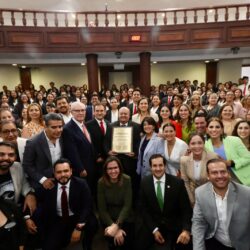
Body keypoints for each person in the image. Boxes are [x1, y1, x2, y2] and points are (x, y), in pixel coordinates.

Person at [34, 158, 97, 250]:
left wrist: (78, 228)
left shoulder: (81, 184)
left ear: (71, 171)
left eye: (66, 171)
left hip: (77, 216)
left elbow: (87, 206)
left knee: (92, 223)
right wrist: (27, 216)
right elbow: (35, 197)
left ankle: (87, 245)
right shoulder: (49, 185)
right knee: (49, 247)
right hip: (58, 219)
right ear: (54, 174)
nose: (63, 174)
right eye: (59, 172)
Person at [137, 154, 192, 250]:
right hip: (153, 225)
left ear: (165, 166)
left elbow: (186, 209)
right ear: (150, 167)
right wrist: (154, 230)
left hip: (174, 226)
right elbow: (143, 209)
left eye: (160, 165)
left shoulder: (177, 183)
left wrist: (186, 230)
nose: (158, 168)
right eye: (154, 166)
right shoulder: (145, 182)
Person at [192, 158, 250, 250]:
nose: (220, 176)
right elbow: (199, 222)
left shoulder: (246, 193)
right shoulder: (200, 193)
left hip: (243, 245)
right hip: (217, 242)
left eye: (223, 172)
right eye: (214, 173)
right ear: (208, 176)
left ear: (229, 174)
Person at [104, 107, 141, 202]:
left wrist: (135, 153)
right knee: (116, 183)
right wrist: (108, 151)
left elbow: (138, 143)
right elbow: (106, 142)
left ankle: (131, 203)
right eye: (121, 114)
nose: (123, 115)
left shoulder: (136, 126)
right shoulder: (111, 126)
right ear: (118, 115)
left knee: (130, 183)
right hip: (115, 161)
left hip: (130, 162)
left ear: (129, 115)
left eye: (125, 114)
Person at [97, 156, 133, 250]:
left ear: (120, 168)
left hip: (125, 217)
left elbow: (127, 205)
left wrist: (117, 225)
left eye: (115, 168)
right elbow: (102, 209)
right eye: (110, 168)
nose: (113, 171)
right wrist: (113, 227)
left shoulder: (127, 179)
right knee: (113, 240)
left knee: (126, 241)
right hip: (108, 217)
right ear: (106, 170)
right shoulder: (101, 182)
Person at [23, 113, 64, 189]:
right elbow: (27, 165)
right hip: (42, 182)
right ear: (45, 127)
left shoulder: (63, 137)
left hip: (62, 178)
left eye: (60, 126)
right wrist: (43, 180)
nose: (58, 130)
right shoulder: (33, 143)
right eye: (54, 127)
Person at [205, 117, 250, 186]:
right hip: (220, 181)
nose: (214, 129)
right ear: (207, 130)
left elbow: (248, 157)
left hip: (242, 179)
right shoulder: (205, 145)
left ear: (222, 129)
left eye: (217, 127)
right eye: (211, 127)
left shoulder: (234, 140)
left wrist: (231, 163)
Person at [62, 102, 96, 192]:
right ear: (71, 112)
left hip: (90, 165)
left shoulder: (83, 124)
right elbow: (71, 152)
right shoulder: (67, 129)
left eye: (83, 110)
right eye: (77, 111)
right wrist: (80, 169)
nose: (81, 113)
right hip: (81, 170)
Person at [180, 133, 218, 207]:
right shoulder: (184, 160)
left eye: (200, 143)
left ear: (204, 144)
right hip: (193, 194)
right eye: (193, 143)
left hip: (211, 196)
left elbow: (216, 181)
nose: (197, 146)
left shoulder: (212, 157)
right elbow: (185, 182)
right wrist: (192, 201)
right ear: (189, 145)